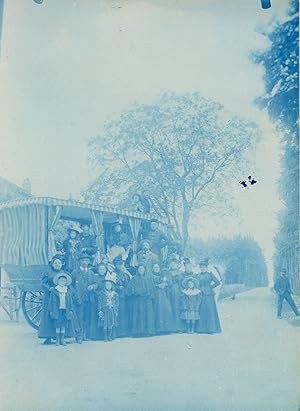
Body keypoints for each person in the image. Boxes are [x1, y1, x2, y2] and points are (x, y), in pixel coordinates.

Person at [38, 255, 69, 344]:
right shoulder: (48, 272)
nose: (57, 265)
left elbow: (68, 285)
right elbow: (43, 283)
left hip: (61, 298)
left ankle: (61, 337)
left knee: (61, 317)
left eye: (59, 263)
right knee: (49, 316)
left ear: (62, 264)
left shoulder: (64, 273)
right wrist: (50, 288)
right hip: (50, 297)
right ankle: (48, 336)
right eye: (55, 263)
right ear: (52, 264)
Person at [71, 253, 97, 343]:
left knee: (87, 317)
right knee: (79, 318)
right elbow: (70, 285)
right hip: (79, 299)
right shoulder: (75, 273)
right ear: (79, 262)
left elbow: (95, 283)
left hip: (88, 299)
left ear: (89, 262)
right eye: (83, 260)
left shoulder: (91, 273)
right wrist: (75, 295)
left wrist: (93, 286)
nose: (85, 262)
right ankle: (79, 336)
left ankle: (85, 334)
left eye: (86, 260)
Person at [126, 264, 156, 337]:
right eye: (140, 269)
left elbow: (152, 289)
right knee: (138, 315)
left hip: (146, 300)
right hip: (137, 300)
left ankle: (148, 331)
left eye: (142, 269)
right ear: (137, 270)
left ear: (145, 270)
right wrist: (136, 293)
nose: (141, 270)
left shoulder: (148, 278)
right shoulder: (134, 279)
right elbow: (130, 288)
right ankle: (137, 332)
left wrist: (148, 295)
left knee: (147, 315)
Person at [48, 272, 75, 346]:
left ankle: (62, 339)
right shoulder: (55, 291)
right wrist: (50, 310)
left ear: (66, 282)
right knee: (57, 325)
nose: (62, 282)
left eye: (64, 281)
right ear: (58, 282)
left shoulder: (67, 291)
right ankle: (57, 340)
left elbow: (70, 301)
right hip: (57, 310)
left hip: (65, 310)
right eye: (61, 281)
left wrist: (71, 309)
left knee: (63, 325)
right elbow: (51, 301)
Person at [196, 258, 221, 334]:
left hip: (209, 294)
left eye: (204, 267)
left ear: (206, 268)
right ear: (200, 268)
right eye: (201, 267)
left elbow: (217, 282)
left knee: (209, 311)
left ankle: (211, 329)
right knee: (201, 310)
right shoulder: (198, 275)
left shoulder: (210, 274)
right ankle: (201, 329)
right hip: (201, 293)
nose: (203, 268)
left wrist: (210, 287)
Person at [152, 265, 173, 334]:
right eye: (155, 267)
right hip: (156, 295)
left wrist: (165, 283)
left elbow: (170, 283)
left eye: (157, 267)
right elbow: (149, 285)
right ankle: (159, 329)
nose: (156, 269)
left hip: (164, 295)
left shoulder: (163, 275)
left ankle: (166, 328)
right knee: (158, 311)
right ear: (152, 268)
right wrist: (158, 285)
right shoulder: (151, 276)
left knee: (166, 310)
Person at [113, 256, 131, 337]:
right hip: (116, 296)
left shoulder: (125, 274)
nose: (120, 266)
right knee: (118, 314)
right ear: (115, 265)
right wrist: (117, 287)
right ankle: (117, 332)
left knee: (124, 313)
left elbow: (128, 285)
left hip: (124, 296)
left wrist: (126, 276)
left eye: (121, 264)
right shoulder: (112, 274)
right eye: (118, 264)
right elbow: (110, 285)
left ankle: (125, 332)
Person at [166, 258, 185, 333]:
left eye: (174, 263)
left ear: (177, 265)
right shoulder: (167, 272)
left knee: (177, 308)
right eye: (171, 263)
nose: (173, 264)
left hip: (178, 291)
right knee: (170, 308)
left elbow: (183, 283)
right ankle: (171, 328)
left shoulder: (180, 273)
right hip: (169, 291)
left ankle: (179, 327)